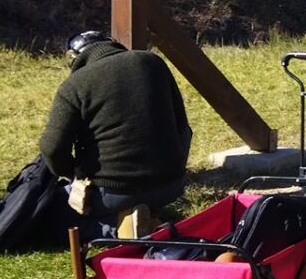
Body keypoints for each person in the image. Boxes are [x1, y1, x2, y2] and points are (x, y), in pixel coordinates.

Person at [39, 31, 193, 229]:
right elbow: (183, 126)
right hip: (171, 185)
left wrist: (72, 174)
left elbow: (51, 148)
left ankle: (117, 227)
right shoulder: (153, 62)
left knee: (49, 215)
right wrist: (175, 166)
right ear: (111, 43)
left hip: (113, 192)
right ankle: (148, 213)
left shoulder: (75, 85)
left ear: (73, 58)